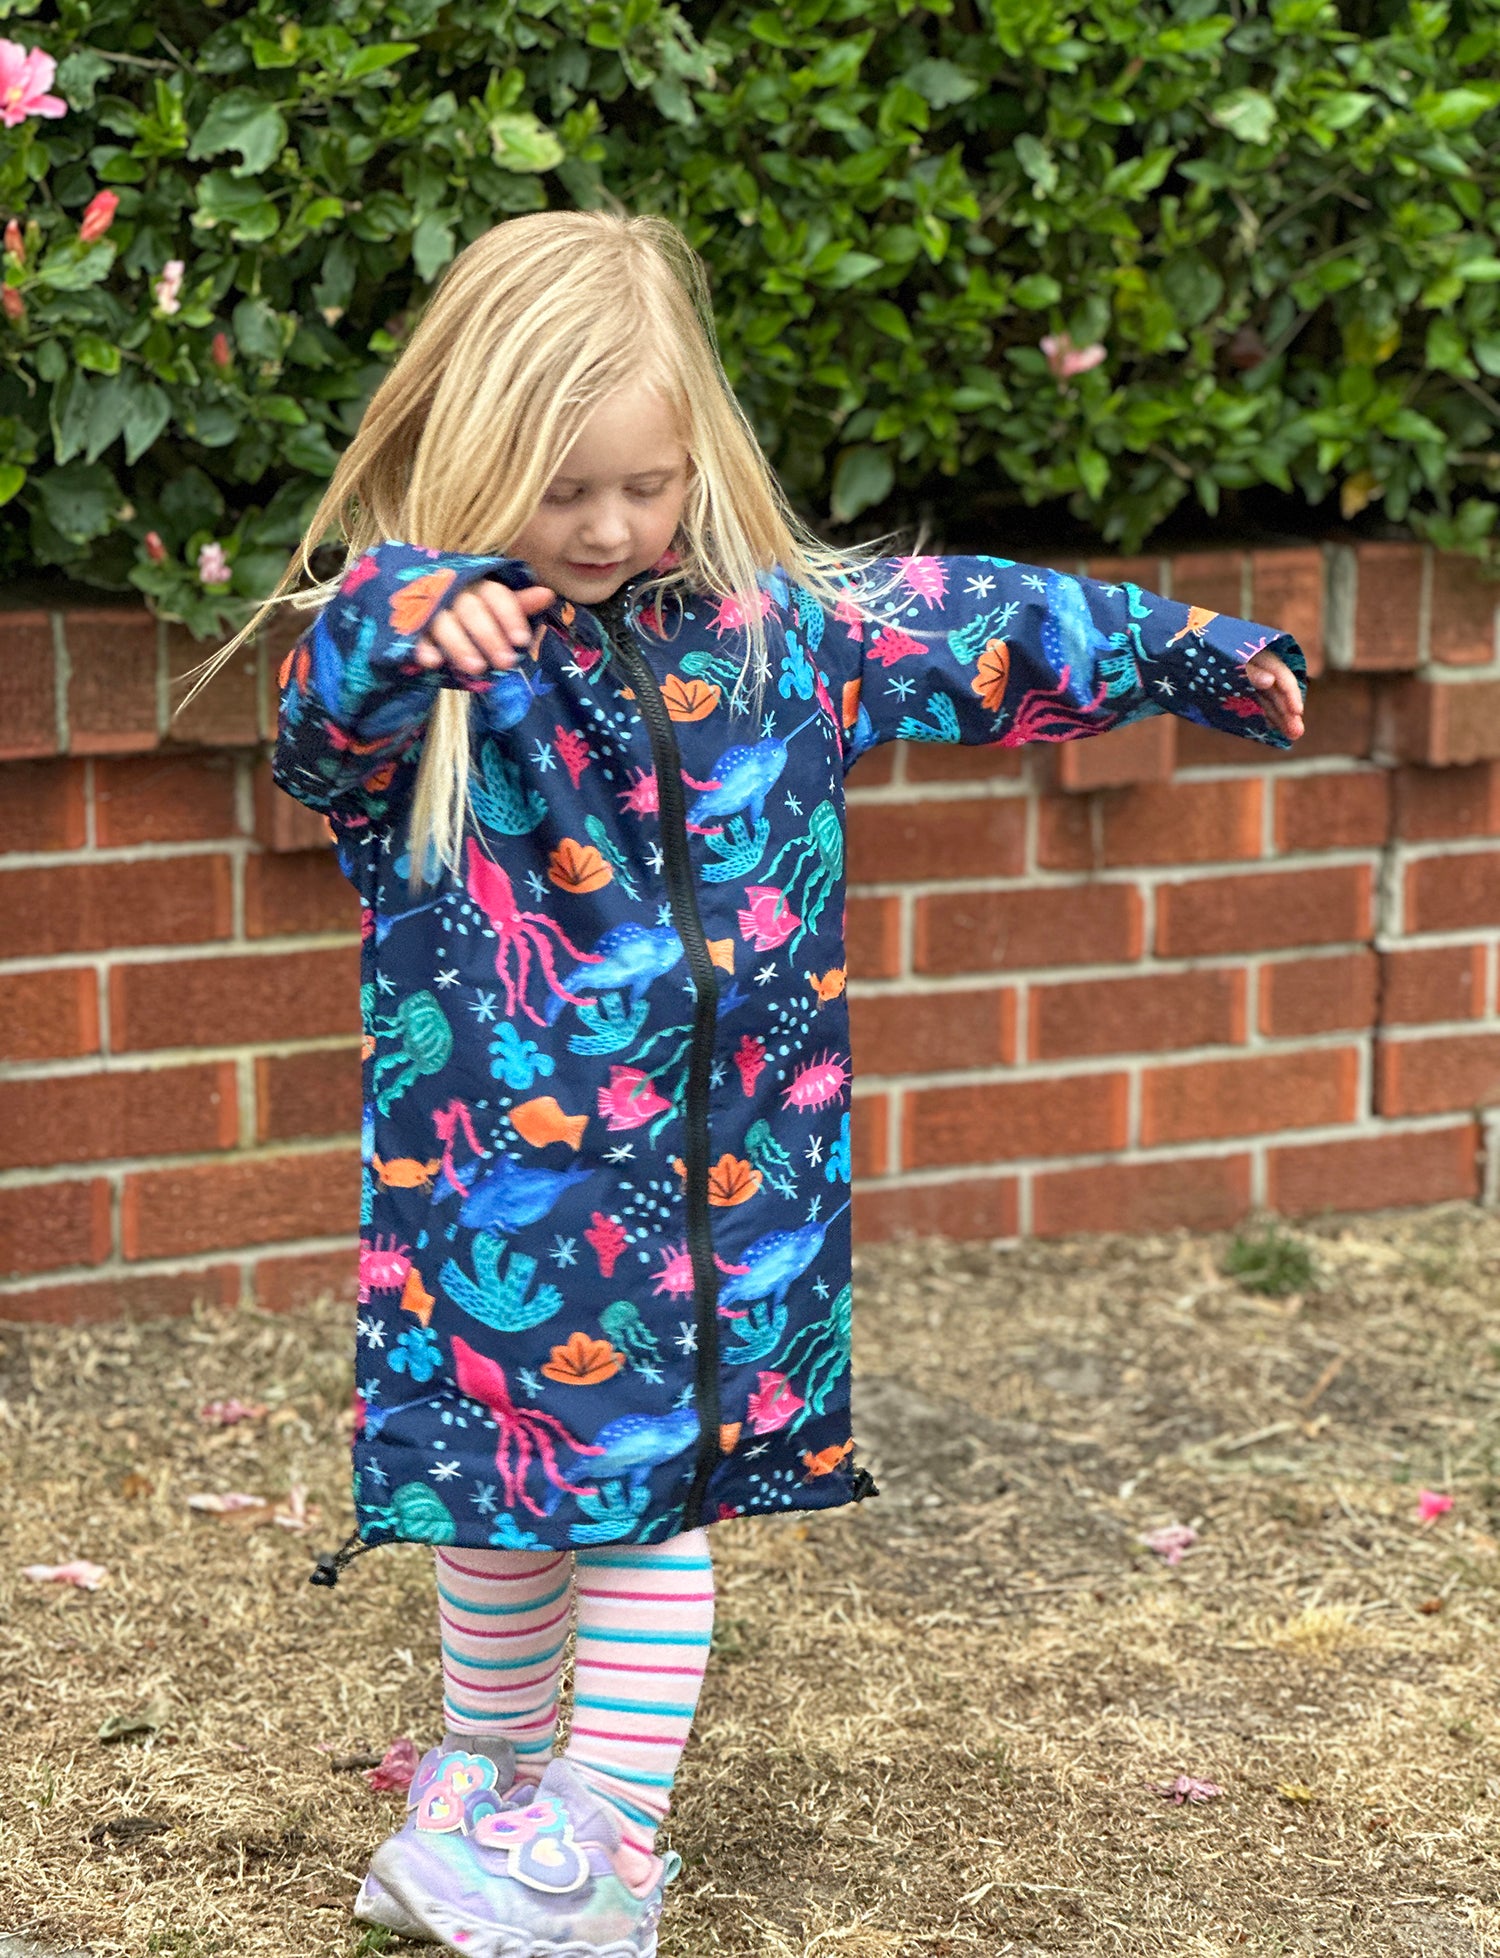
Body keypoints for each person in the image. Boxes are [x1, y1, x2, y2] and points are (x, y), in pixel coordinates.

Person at [198, 209, 1305, 1955]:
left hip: (725, 1205)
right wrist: (412, 616)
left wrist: (1192, 651)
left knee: (647, 1511)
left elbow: (987, 624)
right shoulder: (434, 672)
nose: (608, 527)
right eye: (564, 489)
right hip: (492, 1192)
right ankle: (495, 1785)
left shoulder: (781, 631)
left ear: (694, 457)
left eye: (644, 484)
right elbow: (317, 716)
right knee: (496, 1506)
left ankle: (604, 1846)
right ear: (474, 451)